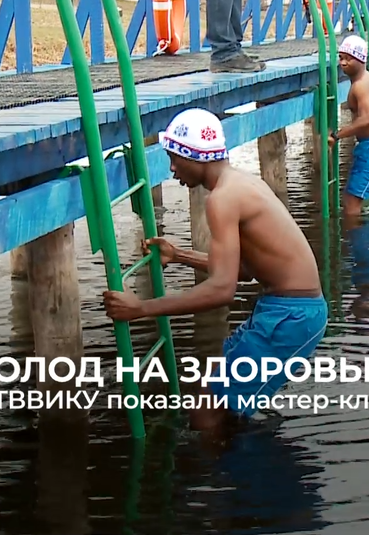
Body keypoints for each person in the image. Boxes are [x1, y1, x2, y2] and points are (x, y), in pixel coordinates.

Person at [102, 108, 327, 432]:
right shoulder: (239, 184)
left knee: (208, 411)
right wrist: (178, 254)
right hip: (287, 310)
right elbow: (242, 272)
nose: (172, 169)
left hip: (291, 317)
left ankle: (235, 477)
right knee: (213, 398)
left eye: (175, 158)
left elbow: (223, 290)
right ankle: (233, 465)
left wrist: (141, 309)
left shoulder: (222, 198)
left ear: (195, 157)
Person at [331, 35, 369, 217]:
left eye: (348, 58)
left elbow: (367, 119)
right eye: (341, 58)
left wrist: (337, 135)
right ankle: (359, 237)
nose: (343, 62)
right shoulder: (362, 81)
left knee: (351, 202)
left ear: (361, 59)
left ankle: (358, 243)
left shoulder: (362, 85)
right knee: (352, 199)